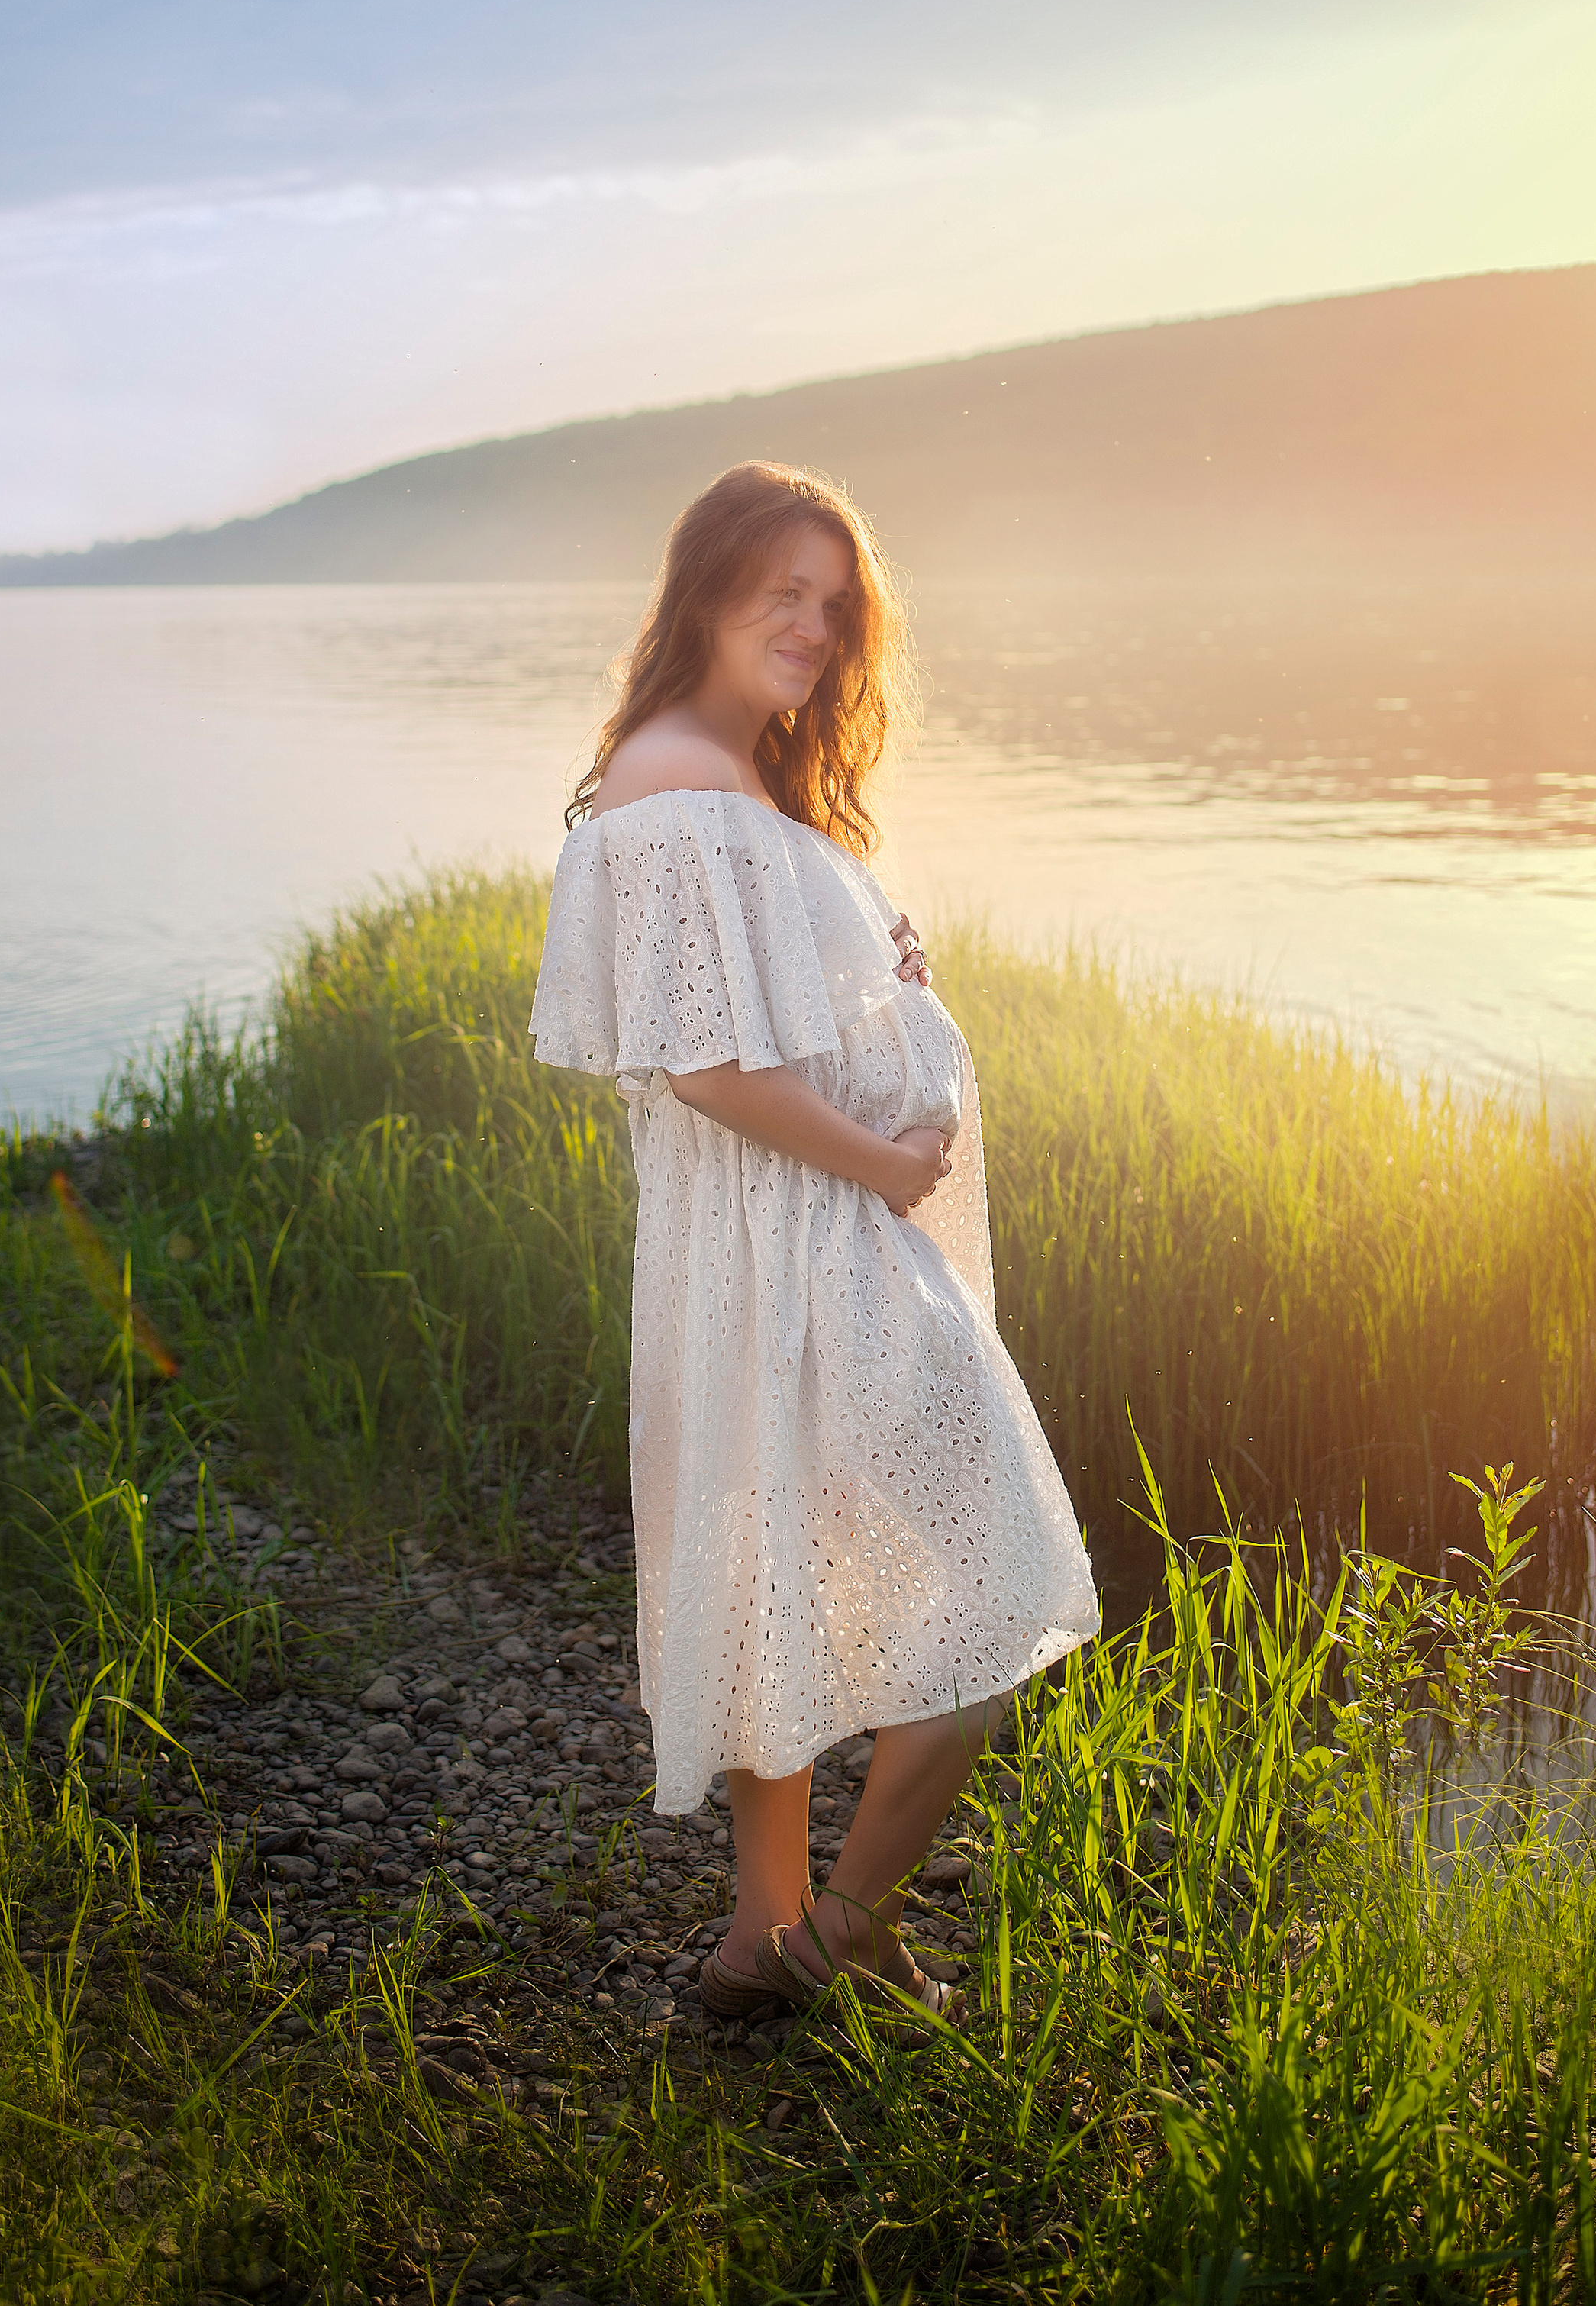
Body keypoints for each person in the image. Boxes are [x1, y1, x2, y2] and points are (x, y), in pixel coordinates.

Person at [530, 460, 1097, 2021]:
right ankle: (847, 1921)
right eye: (781, 591)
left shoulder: (734, 781)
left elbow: (773, 1014)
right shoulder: (679, 786)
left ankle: (762, 1936)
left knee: (775, 1563)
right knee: (1002, 1572)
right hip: (807, 1241)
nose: (811, 625)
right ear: (703, 589)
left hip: (788, 1240)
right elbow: (710, 1067)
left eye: (832, 606)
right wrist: (885, 1163)